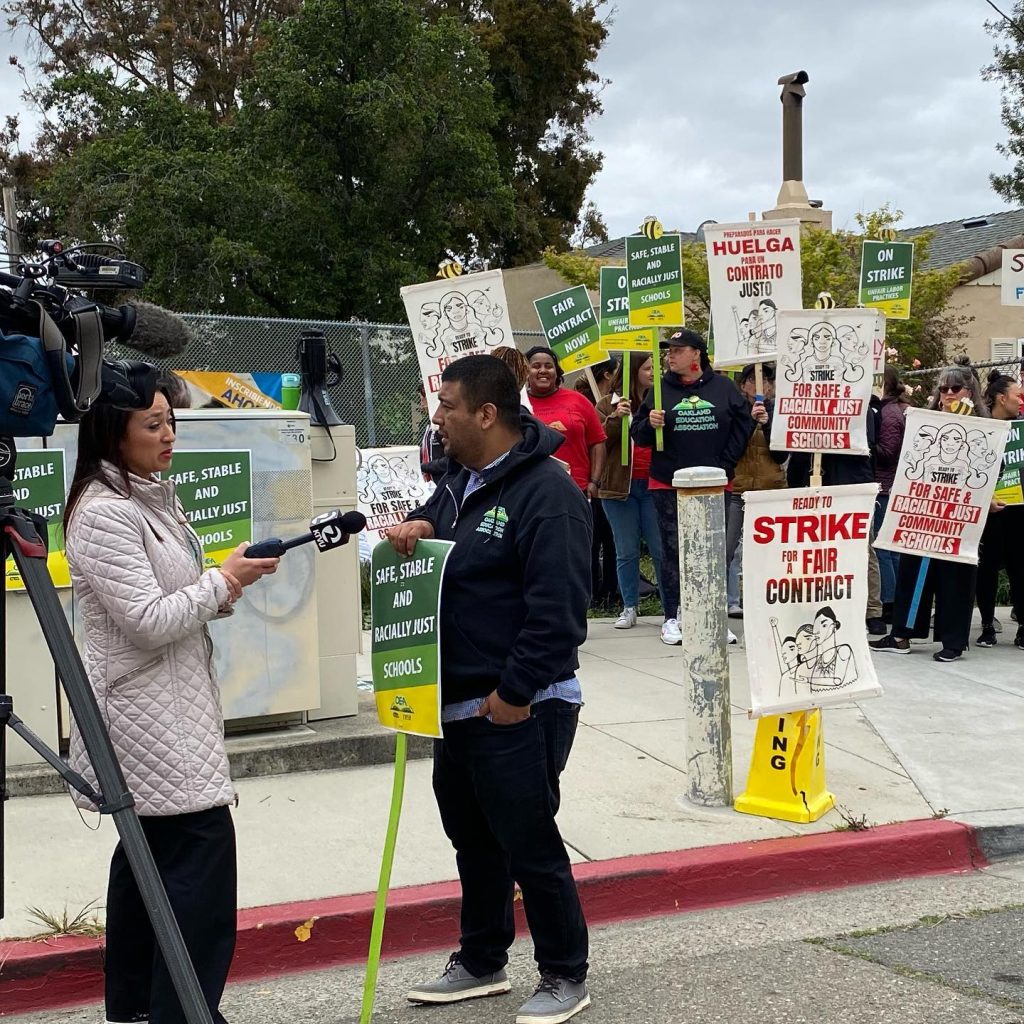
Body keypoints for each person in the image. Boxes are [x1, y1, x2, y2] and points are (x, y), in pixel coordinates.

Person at [63, 384, 280, 1024]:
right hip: (144, 715)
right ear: (112, 430)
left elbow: (169, 598)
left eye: (171, 422)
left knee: (148, 860)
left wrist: (221, 584)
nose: (168, 435)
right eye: (154, 424)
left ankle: (138, 1009)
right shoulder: (105, 511)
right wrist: (222, 582)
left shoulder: (147, 498)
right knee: (201, 865)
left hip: (168, 703)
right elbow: (147, 620)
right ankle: (182, 1012)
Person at [387, 355, 592, 1024]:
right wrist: (419, 522)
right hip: (457, 703)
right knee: (473, 837)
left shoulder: (547, 493)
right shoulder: (455, 483)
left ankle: (565, 973)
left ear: (485, 413)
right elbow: (440, 519)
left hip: (520, 704)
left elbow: (559, 613)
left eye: (446, 405)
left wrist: (515, 694)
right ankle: (481, 961)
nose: (436, 417)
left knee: (529, 842)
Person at [631, 329, 752, 646]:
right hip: (667, 482)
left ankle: (712, 615)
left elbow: (743, 427)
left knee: (713, 552)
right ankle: (673, 616)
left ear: (696, 353)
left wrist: (725, 464)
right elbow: (638, 435)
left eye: (677, 349)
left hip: (713, 483)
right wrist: (649, 424)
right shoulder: (658, 390)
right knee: (673, 550)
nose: (670, 355)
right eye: (668, 350)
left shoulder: (723, 388)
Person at [870, 361, 989, 662]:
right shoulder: (926, 420)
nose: (948, 394)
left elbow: (989, 467)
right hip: (926, 508)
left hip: (959, 514)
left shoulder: (982, 424)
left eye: (955, 388)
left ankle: (953, 640)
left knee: (956, 575)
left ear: (969, 390)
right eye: (944, 388)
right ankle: (902, 634)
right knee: (915, 569)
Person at [596, 352, 664, 628]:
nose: (653, 373)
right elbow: (599, 441)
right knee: (626, 551)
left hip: (653, 485)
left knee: (660, 549)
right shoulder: (606, 404)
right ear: (634, 370)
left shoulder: (660, 402)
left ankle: (672, 606)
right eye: (648, 368)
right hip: (619, 489)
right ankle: (629, 606)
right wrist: (614, 418)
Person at [728, 364, 787, 618]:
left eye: (767, 381)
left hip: (770, 492)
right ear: (743, 385)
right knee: (728, 549)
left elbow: (780, 454)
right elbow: (732, 452)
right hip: (738, 491)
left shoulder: (780, 414)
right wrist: (750, 423)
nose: (761, 386)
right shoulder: (735, 412)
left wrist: (769, 424)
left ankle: (765, 602)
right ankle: (728, 600)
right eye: (753, 380)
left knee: (769, 553)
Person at [976, 369, 1024, 649]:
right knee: (988, 568)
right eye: (1018, 395)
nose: (1021, 400)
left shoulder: (1022, 428)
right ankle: (986, 625)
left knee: (1020, 567)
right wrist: (986, 499)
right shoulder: (981, 428)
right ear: (1001, 398)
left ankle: (1022, 628)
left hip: (1019, 509)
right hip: (989, 510)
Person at [525, 346, 606, 496]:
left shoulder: (578, 400)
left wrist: (594, 481)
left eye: (549, 366)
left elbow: (597, 442)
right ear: (526, 371)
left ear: (557, 372)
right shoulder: (517, 404)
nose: (543, 370)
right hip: (532, 491)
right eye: (536, 366)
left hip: (576, 489)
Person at [874, 366, 911, 625]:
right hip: (890, 484)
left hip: (883, 485)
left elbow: (887, 451)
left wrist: (863, 444)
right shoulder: (894, 410)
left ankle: (889, 600)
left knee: (883, 548)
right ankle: (898, 597)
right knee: (891, 549)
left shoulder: (888, 413)